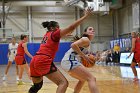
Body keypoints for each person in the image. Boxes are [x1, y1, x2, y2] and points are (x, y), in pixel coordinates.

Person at [28, 7, 93, 93]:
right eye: (58, 28)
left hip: (34, 61)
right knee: (63, 83)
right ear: (52, 28)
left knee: (37, 86)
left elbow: (61, 35)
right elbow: (71, 27)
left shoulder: (47, 34)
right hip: (43, 60)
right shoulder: (54, 33)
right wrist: (85, 16)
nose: (59, 30)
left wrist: (65, 34)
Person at [61, 26, 99, 93]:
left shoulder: (87, 41)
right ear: (85, 32)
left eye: (93, 30)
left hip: (66, 62)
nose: (92, 30)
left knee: (82, 80)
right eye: (90, 29)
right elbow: (73, 45)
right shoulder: (85, 39)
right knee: (92, 78)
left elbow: (78, 53)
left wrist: (88, 57)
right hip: (69, 61)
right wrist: (84, 56)